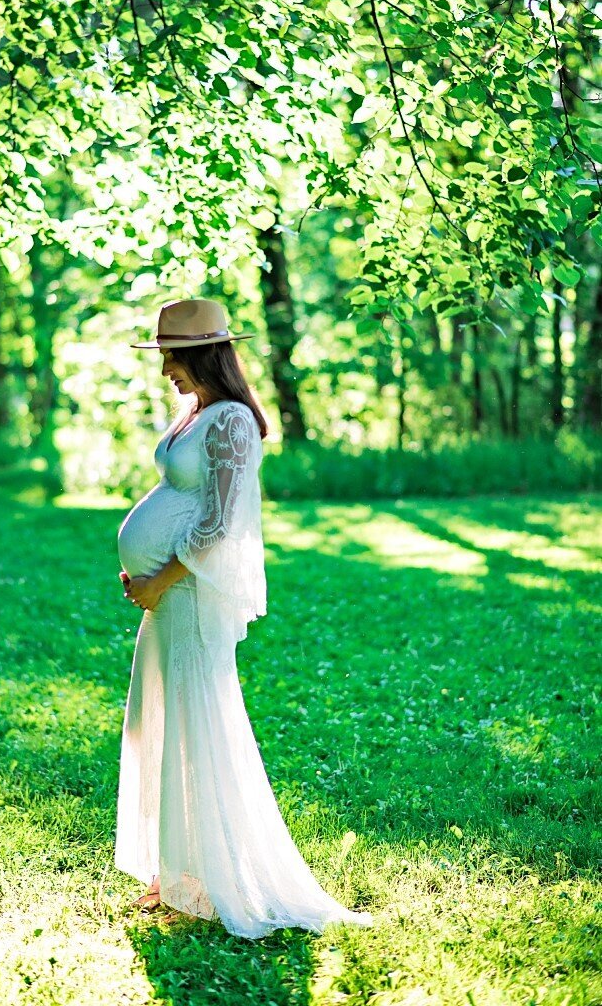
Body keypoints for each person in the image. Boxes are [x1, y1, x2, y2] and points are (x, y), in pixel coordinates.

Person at [115, 297, 374, 938]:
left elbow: (220, 523)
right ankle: (176, 870)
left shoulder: (231, 420)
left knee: (199, 717)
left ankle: (209, 877)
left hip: (190, 593)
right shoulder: (196, 412)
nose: (165, 368)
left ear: (200, 353)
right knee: (167, 716)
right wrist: (145, 578)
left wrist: (161, 577)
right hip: (167, 594)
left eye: (171, 355)